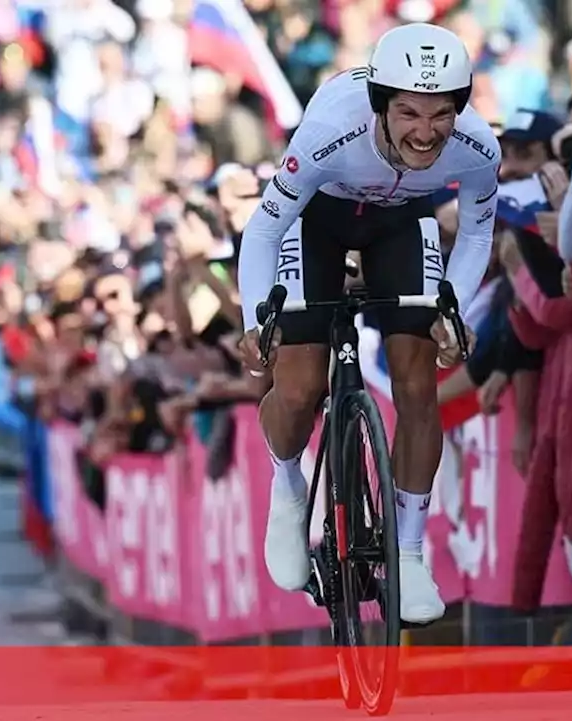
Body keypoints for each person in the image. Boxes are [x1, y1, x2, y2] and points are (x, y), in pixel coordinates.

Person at [235, 22, 501, 625]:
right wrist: (258, 320)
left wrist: (450, 308)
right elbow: (266, 226)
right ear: (382, 104)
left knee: (417, 382)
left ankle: (408, 553)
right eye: (408, 113)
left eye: (440, 116)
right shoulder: (331, 130)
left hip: (402, 223)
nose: (425, 132)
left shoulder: (478, 147)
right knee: (300, 385)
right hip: (316, 221)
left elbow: (479, 231)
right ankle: (287, 485)